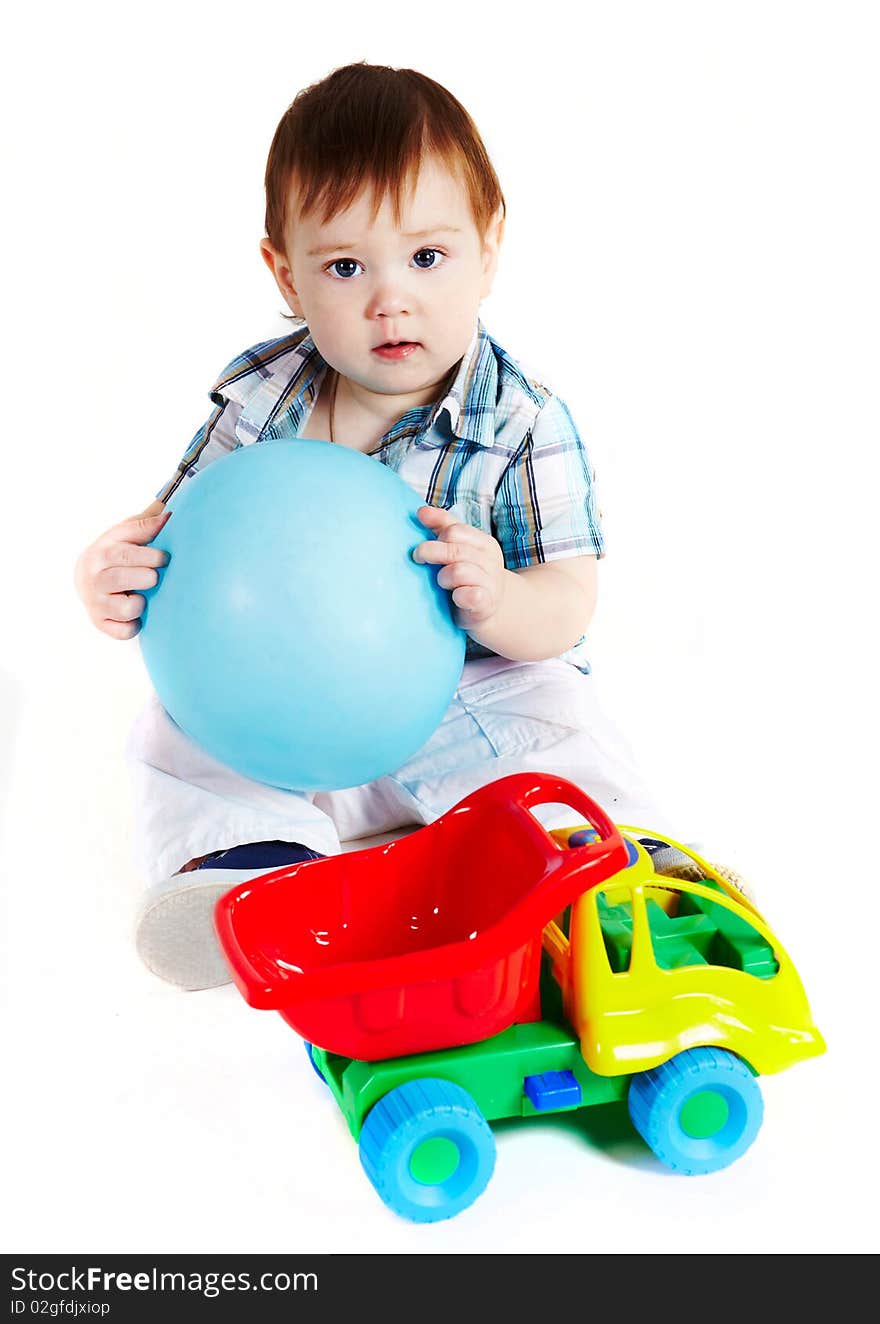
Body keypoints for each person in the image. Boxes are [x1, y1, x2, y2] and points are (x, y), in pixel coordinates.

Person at [74, 61, 692, 992]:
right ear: (284, 273)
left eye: (427, 258)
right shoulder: (263, 399)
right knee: (173, 735)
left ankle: (604, 873)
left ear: (490, 249)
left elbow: (567, 607)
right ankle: (249, 871)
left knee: (555, 719)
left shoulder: (522, 421)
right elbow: (181, 542)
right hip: (280, 710)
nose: (388, 298)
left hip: (467, 702)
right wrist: (114, 576)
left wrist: (500, 600)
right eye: (345, 266)